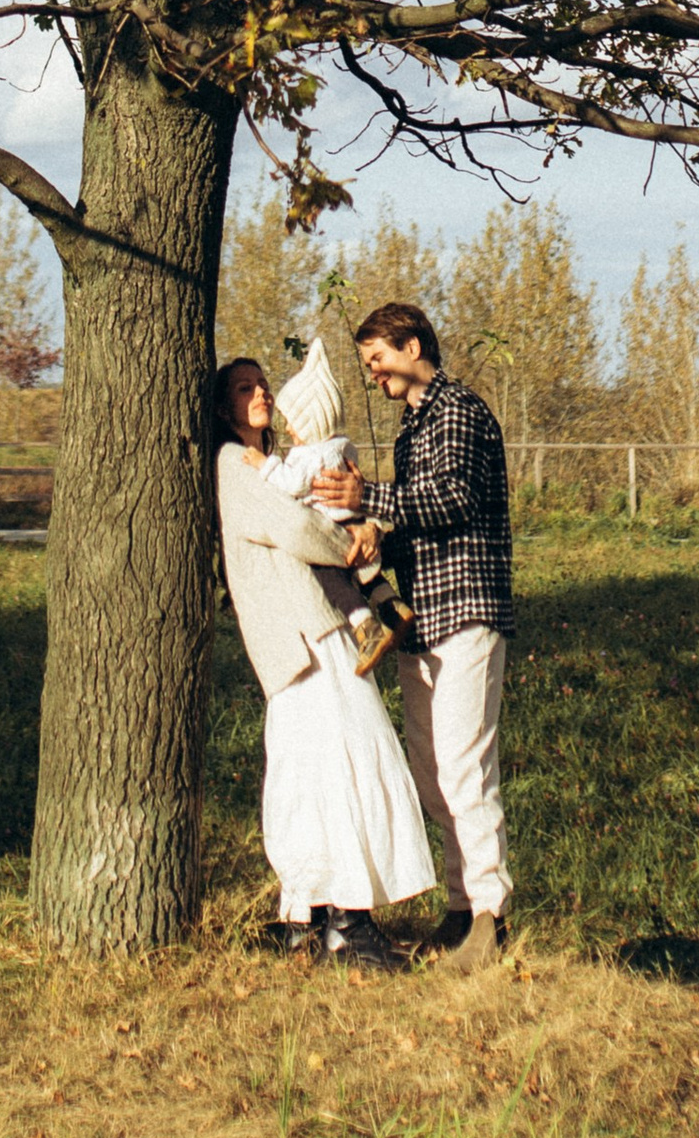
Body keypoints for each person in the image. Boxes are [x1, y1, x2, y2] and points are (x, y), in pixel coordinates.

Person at [211, 355, 434, 966]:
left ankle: (311, 918)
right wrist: (356, 540)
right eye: (243, 388)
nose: (258, 393)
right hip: (299, 635)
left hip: (312, 628)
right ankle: (344, 921)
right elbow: (295, 527)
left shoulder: (276, 462)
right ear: (224, 406)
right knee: (340, 761)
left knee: (317, 767)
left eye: (262, 385)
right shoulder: (233, 465)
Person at [314, 304, 514, 974]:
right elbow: (423, 513)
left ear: (412, 344)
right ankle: (460, 914)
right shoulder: (414, 425)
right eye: (368, 363)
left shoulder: (457, 409)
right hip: (422, 620)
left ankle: (491, 919)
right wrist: (380, 531)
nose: (373, 373)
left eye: (379, 358)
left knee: (464, 767)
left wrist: (370, 498)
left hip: (466, 612)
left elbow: (455, 497)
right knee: (433, 771)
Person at [265, 337, 417, 673]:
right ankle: (392, 606)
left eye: (292, 421)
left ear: (310, 422)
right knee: (367, 575)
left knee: (332, 579)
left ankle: (366, 627)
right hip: (357, 524)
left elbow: (289, 485)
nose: (288, 428)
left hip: (333, 531)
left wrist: (265, 466)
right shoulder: (344, 448)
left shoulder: (307, 456)